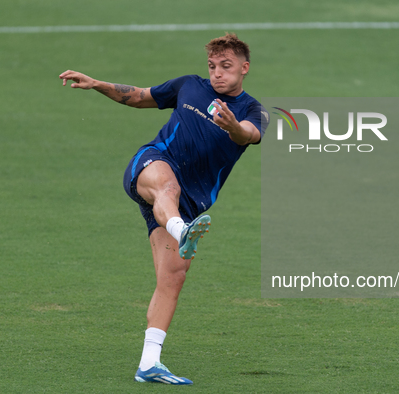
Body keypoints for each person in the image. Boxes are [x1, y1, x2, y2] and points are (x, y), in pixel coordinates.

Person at [59, 33, 268, 385]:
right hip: (152, 166)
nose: (217, 73)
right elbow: (140, 97)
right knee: (166, 186)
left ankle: (149, 363)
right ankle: (180, 230)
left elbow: (248, 134)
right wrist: (96, 84)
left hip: (190, 201)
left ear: (244, 69)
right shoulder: (189, 86)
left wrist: (233, 126)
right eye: (213, 66)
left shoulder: (252, 110)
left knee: (172, 277)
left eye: (226, 67)